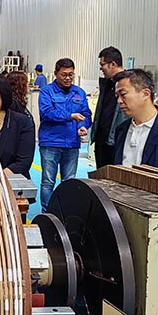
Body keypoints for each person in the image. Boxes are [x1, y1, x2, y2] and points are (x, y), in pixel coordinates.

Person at [38, 58, 92, 208]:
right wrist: (70, 116)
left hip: (72, 144)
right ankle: (47, 214)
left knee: (69, 182)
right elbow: (46, 113)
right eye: (64, 75)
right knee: (48, 182)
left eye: (71, 74)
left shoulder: (79, 93)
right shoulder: (47, 91)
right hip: (51, 142)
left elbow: (86, 113)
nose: (68, 78)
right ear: (56, 74)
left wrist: (82, 126)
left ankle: (65, 213)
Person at [89, 47, 129, 167]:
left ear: (113, 64)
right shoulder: (106, 84)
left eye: (102, 64)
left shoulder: (129, 84)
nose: (101, 68)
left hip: (116, 143)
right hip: (101, 141)